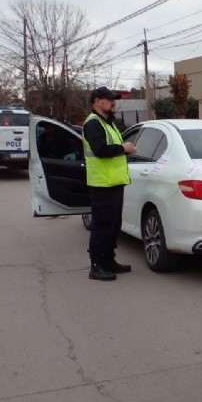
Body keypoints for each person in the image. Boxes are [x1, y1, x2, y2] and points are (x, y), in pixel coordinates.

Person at [82, 86, 136, 281]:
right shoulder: (93, 124)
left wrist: (125, 149)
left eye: (114, 99)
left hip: (114, 183)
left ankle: (108, 260)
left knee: (114, 226)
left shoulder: (108, 123)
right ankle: (96, 265)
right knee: (102, 226)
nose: (114, 102)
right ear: (98, 101)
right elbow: (100, 150)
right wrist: (124, 147)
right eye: (110, 99)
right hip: (101, 184)